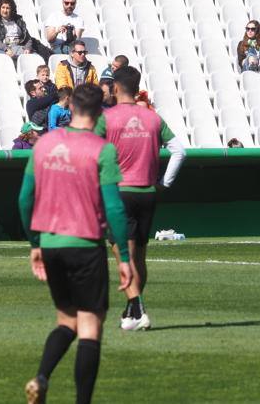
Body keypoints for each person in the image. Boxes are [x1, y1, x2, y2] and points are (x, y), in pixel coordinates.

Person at [19, 83, 132, 404]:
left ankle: (41, 377)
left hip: (51, 245)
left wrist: (35, 244)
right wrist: (124, 256)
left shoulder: (44, 144)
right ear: (100, 113)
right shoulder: (102, 149)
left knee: (66, 320)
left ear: (70, 109)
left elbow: (25, 199)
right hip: (85, 245)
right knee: (90, 327)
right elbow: (113, 208)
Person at [95, 66, 186, 331]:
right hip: (147, 193)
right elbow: (179, 151)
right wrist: (164, 183)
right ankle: (132, 309)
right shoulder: (153, 118)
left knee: (124, 257)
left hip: (118, 194)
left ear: (115, 88)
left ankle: (138, 309)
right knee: (140, 259)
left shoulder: (107, 118)